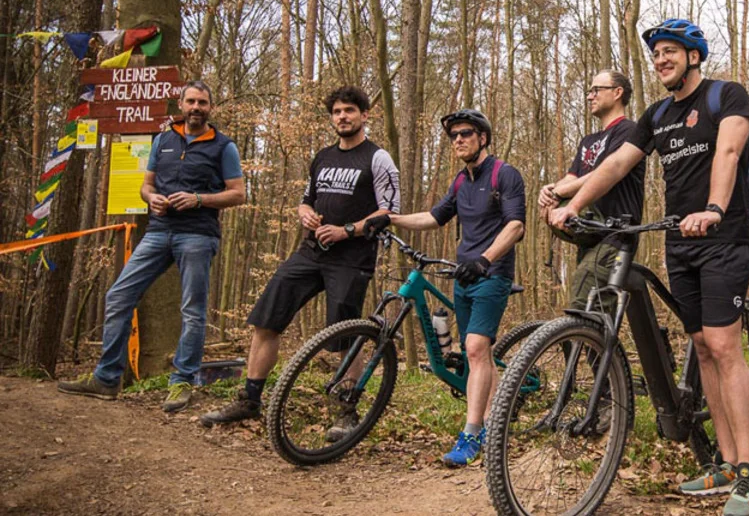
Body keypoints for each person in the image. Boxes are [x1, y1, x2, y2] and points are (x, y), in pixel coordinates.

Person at [550, 19, 749, 516]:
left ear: (694, 56)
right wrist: (575, 202)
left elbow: (729, 152)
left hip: (723, 237)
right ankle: (726, 463)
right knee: (702, 348)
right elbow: (615, 166)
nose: (661, 60)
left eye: (671, 52)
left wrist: (712, 209)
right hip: (677, 240)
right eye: (657, 55)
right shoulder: (657, 114)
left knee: (725, 346)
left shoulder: (725, 96)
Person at [198, 86, 399, 436]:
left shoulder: (377, 158)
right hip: (310, 252)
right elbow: (307, 200)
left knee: (345, 335)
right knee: (266, 319)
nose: (342, 117)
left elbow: (390, 211)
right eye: (336, 111)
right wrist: (305, 213)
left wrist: (347, 230)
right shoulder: (322, 157)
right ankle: (250, 399)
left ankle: (345, 411)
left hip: (352, 257)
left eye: (349, 110)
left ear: (365, 115)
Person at [58, 80, 246, 413]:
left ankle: (182, 382)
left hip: (198, 235)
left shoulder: (223, 146)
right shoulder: (163, 140)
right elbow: (146, 185)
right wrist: (152, 199)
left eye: (202, 102)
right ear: (181, 103)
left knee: (192, 311)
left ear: (210, 108)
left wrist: (199, 198)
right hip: (159, 230)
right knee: (118, 295)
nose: (196, 108)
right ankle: (106, 378)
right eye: (191, 101)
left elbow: (238, 193)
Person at [377, 109, 526, 467]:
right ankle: (493, 423)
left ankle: (471, 434)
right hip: (464, 275)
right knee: (478, 353)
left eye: (465, 133)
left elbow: (516, 226)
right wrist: (391, 219)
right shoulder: (460, 182)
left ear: (483, 138)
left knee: (475, 348)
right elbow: (433, 217)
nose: (458, 139)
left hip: (492, 274)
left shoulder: (505, 175)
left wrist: (485, 260)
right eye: (453, 136)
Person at [538, 69, 646, 312]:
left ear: (618, 93)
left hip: (616, 233)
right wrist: (550, 190)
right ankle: (602, 351)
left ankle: (596, 350)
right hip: (590, 235)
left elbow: (606, 171)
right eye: (589, 91)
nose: (589, 96)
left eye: (596, 90)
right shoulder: (588, 141)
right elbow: (572, 178)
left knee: (584, 308)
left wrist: (561, 191)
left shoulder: (629, 131)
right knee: (585, 308)